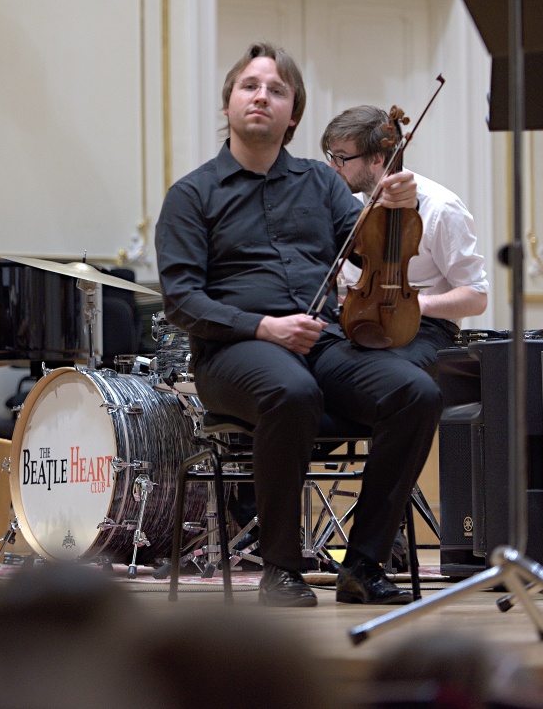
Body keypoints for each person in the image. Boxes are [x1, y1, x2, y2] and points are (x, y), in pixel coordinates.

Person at [155, 41, 442, 607]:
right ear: (229, 104)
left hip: (322, 340)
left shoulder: (321, 182)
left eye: (276, 90)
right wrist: (264, 327)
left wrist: (395, 207)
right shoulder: (192, 195)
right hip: (231, 351)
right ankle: (281, 568)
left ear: (294, 115)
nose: (262, 96)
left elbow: (369, 253)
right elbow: (182, 302)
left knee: (417, 393)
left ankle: (363, 564)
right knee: (291, 391)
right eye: (250, 86)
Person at [321, 104, 488, 373]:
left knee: (380, 373)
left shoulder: (441, 208)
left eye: (341, 158)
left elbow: (476, 297)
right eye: (331, 156)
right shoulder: (348, 206)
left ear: (377, 159)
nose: (332, 167)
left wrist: (414, 303)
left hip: (423, 329)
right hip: (355, 322)